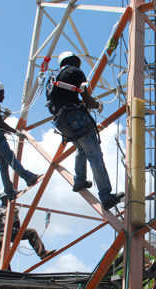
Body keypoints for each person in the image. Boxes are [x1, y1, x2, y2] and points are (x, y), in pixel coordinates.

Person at [45, 51, 124, 210]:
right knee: (95, 155)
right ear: (74, 61)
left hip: (62, 122)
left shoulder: (53, 78)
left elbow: (62, 98)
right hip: (76, 118)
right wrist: (96, 105)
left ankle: (79, 180)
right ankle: (106, 196)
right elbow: (86, 95)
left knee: (81, 149)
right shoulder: (74, 71)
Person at [0, 81, 41, 200]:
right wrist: (16, 132)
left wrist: (5, 116)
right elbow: (0, 124)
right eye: (2, 93)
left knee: (3, 165)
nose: (4, 96)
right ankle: (28, 177)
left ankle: (9, 191)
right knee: (10, 158)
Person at [0, 190, 55, 260]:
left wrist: (16, 217)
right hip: (1, 234)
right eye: (6, 198)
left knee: (32, 232)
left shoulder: (13, 208)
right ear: (2, 199)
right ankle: (6, 269)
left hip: (13, 232)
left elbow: (18, 226)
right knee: (5, 247)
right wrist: (3, 213)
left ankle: (42, 253)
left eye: (8, 198)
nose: (8, 200)